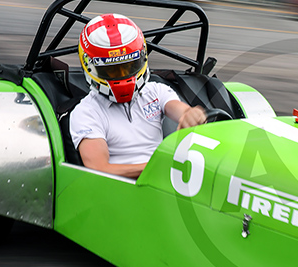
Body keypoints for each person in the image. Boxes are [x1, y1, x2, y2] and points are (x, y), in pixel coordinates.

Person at [70, 13, 206, 179]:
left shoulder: (156, 91)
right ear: (90, 67)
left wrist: (192, 115)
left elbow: (184, 112)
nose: (122, 76)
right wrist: (161, 165)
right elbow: (100, 169)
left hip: (166, 182)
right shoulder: (86, 112)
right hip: (122, 191)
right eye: (112, 70)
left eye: (128, 66)